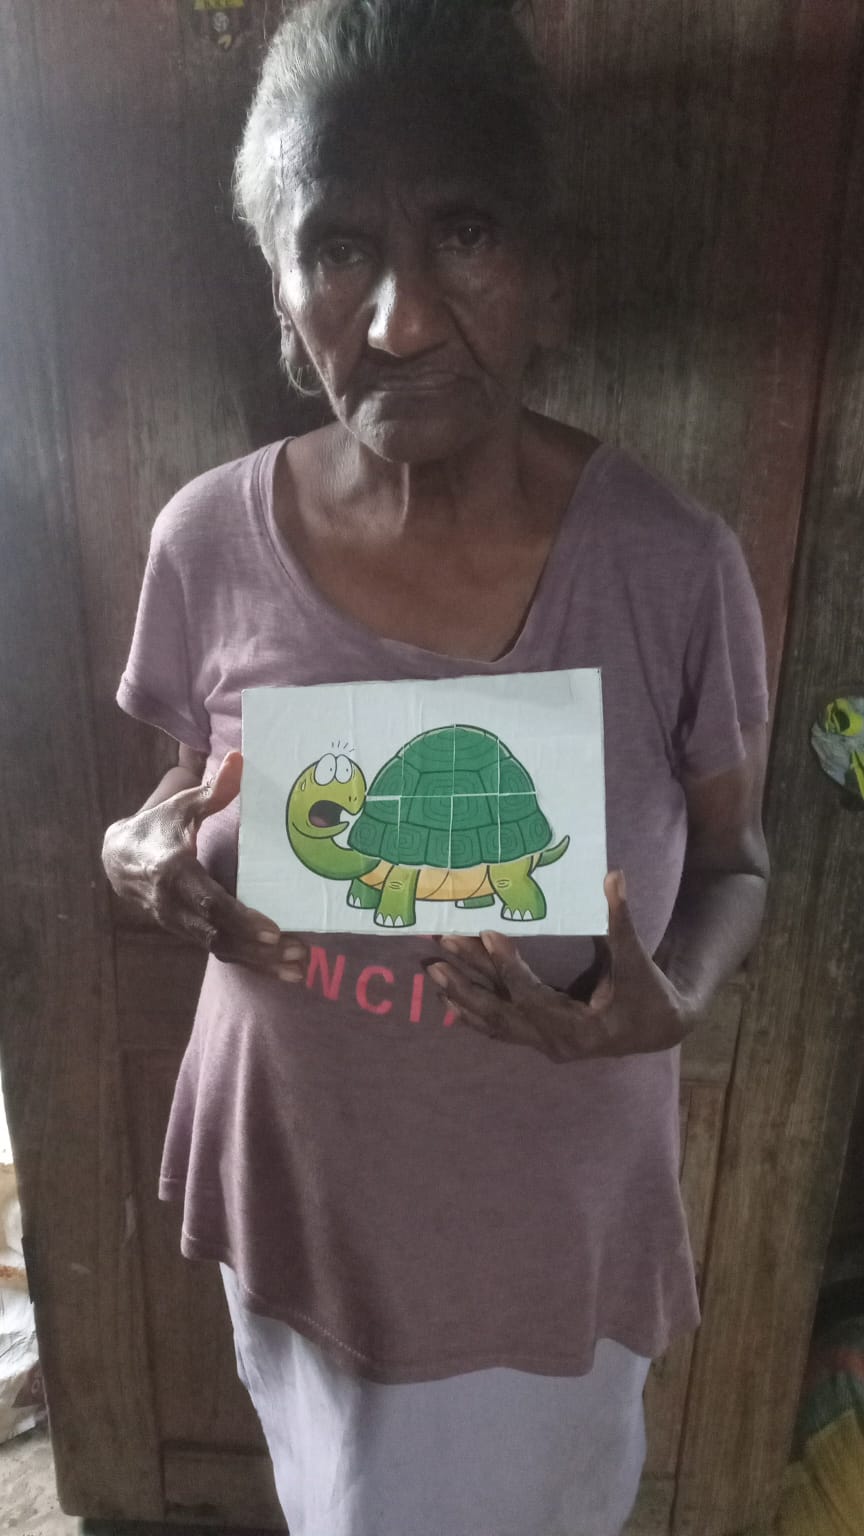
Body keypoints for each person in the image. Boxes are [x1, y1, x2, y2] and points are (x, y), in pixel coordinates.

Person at [101, 1, 771, 1532]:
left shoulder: (673, 567)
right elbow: (178, 810)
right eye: (338, 248)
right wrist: (129, 862)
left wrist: (676, 994)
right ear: (285, 305)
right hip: (291, 1193)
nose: (400, 320)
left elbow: (740, 862)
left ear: (550, 274)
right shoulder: (206, 542)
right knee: (334, 1494)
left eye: (463, 233)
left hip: (529, 1219)